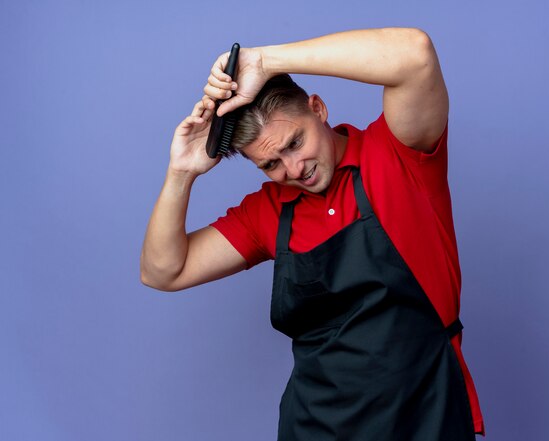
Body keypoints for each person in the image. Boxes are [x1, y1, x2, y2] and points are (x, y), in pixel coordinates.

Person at [140, 27, 485, 440]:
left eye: (295, 142)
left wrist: (264, 61)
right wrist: (181, 172)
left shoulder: (397, 154)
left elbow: (415, 54)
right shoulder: (268, 212)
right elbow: (163, 271)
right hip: (316, 428)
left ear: (318, 108)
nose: (293, 169)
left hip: (425, 418)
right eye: (271, 165)